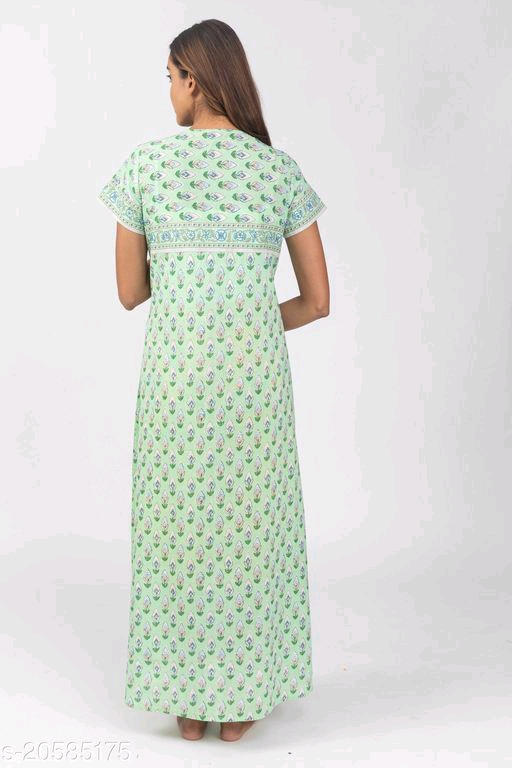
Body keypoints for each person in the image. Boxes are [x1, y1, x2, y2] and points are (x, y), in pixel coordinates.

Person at [97, 18, 329, 743]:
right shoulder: (277, 171)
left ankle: (187, 701)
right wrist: (249, 323)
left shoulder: (145, 167)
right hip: (254, 391)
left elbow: (130, 294)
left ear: (193, 80)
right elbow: (317, 302)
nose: (168, 91)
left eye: (170, 78)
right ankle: (243, 696)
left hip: (175, 389)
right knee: (250, 533)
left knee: (178, 534)